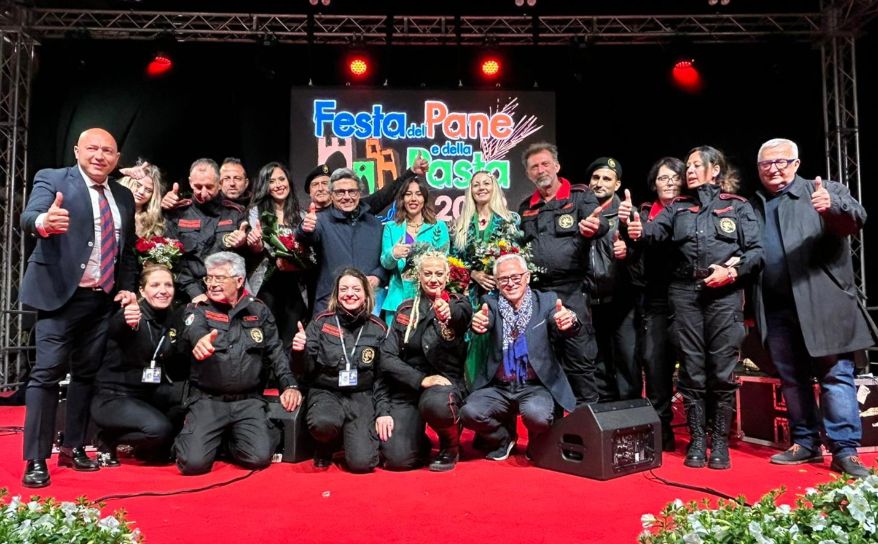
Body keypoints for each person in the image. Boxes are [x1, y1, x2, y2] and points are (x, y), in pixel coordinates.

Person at [626, 145, 763, 470]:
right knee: (691, 369)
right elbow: (653, 233)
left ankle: (719, 442)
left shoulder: (738, 206)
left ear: (715, 169)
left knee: (721, 371)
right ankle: (697, 441)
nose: (689, 170)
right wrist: (636, 228)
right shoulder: (678, 208)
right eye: (687, 165)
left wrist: (731, 272)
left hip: (724, 294)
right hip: (684, 294)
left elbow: (756, 252)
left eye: (696, 165)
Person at [19, 127, 138, 488]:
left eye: (108, 151)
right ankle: (36, 459)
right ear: (77, 150)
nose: (99, 155)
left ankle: (74, 446)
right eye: (92, 148)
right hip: (59, 297)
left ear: (117, 159)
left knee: (86, 376)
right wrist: (44, 223)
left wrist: (128, 289)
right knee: (46, 375)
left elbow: (127, 250)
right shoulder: (53, 178)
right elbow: (30, 217)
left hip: (100, 300)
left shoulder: (122, 195)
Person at [751, 138, 874, 478]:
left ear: (797, 163)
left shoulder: (823, 190)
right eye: (766, 164)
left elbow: (855, 220)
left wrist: (832, 206)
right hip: (777, 308)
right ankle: (804, 443)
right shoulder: (755, 205)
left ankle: (844, 451)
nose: (774, 168)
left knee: (836, 377)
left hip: (824, 305)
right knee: (793, 380)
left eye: (782, 161)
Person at [174, 252, 302, 475]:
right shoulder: (199, 308)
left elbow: (275, 352)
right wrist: (199, 341)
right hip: (208, 401)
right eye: (209, 278)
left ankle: (225, 440)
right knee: (193, 464)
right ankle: (203, 437)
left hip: (248, 401)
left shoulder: (259, 310)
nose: (212, 284)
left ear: (239, 280)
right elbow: (195, 329)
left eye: (219, 278)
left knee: (260, 458)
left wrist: (289, 385)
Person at [460, 254, 578, 461]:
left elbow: (559, 319)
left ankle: (538, 441)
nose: (510, 283)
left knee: (537, 416)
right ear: (496, 283)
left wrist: (568, 321)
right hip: (500, 386)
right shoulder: (491, 302)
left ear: (527, 277)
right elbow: (484, 320)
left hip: (535, 386)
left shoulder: (547, 300)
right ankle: (504, 438)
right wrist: (478, 324)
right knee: (469, 412)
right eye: (503, 279)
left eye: (516, 277)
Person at [518, 142, 607, 406]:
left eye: (545, 164)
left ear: (557, 166)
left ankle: (587, 429)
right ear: (528, 174)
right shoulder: (525, 207)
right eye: (534, 167)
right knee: (545, 361)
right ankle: (553, 430)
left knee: (579, 359)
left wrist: (595, 226)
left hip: (573, 291)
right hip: (538, 294)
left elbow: (598, 222)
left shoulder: (580, 195)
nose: (540, 170)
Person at [377, 251, 472, 471]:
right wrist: (421, 379)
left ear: (447, 276)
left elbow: (461, 316)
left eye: (439, 273)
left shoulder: (459, 303)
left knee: (436, 404)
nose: (433, 279)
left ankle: (450, 445)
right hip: (410, 386)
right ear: (418, 276)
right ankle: (418, 442)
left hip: (443, 388)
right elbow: (387, 357)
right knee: (397, 460)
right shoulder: (405, 309)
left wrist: (447, 313)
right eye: (427, 273)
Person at [291, 268, 387, 472]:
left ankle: (351, 438)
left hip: (361, 396)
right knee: (323, 424)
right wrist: (300, 351)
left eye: (356, 289)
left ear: (366, 295)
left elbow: (382, 377)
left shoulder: (378, 328)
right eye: (344, 289)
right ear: (336, 294)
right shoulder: (321, 322)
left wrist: (382, 412)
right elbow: (304, 370)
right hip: (327, 392)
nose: (349, 294)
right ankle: (326, 444)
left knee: (362, 464)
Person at [90, 264, 183, 466]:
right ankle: (108, 438)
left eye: (168, 285)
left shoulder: (171, 318)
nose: (163, 290)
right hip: (114, 397)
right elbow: (118, 326)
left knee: (187, 402)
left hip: (148, 394)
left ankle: (150, 448)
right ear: (142, 290)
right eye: (155, 285)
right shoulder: (131, 314)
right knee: (160, 430)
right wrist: (126, 318)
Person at [629, 157, 686, 452]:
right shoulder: (643, 212)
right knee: (654, 364)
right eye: (663, 178)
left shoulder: (694, 209)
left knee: (693, 366)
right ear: (654, 183)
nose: (669, 183)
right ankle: (660, 429)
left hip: (691, 296)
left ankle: (702, 432)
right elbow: (628, 251)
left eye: (675, 178)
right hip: (654, 298)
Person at [451, 170, 520, 387]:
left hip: (502, 293)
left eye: (486, 183)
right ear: (470, 190)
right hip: (471, 295)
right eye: (476, 184)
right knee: (474, 342)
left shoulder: (509, 220)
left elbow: (515, 256)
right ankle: (475, 392)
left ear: (494, 188)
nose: (481, 188)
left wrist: (496, 275)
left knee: (502, 339)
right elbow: (453, 261)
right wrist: (473, 274)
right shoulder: (460, 225)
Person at [583, 157, 638, 402]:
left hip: (622, 300)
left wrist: (628, 252)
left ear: (617, 185)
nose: (600, 183)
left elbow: (644, 252)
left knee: (627, 360)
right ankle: (607, 418)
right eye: (596, 178)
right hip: (590, 301)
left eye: (607, 178)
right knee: (598, 361)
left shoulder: (627, 212)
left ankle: (631, 418)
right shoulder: (579, 211)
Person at [298, 168, 388, 314]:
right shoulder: (321, 220)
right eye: (340, 192)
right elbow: (306, 237)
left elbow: (385, 261)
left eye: (352, 191)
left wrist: (378, 276)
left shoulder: (375, 224)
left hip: (368, 305)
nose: (347, 196)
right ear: (332, 195)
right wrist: (304, 228)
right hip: (329, 305)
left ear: (359, 193)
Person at [163, 159, 249, 303]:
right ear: (190, 182)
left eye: (209, 187)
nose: (203, 193)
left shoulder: (236, 213)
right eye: (198, 186)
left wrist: (243, 242)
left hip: (226, 295)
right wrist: (193, 292)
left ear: (220, 184)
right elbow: (172, 260)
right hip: (186, 295)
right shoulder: (177, 212)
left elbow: (246, 258)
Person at [245, 162, 310, 350]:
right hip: (266, 285)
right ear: (265, 186)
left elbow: (310, 254)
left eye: (282, 179)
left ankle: (288, 379)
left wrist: (297, 260)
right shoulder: (256, 212)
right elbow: (256, 249)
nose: (278, 184)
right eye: (271, 181)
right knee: (265, 339)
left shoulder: (301, 215)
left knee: (290, 340)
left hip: (295, 287)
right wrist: (255, 243)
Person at [380, 176, 450, 325]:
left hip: (429, 299)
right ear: (402, 199)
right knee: (396, 346)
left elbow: (444, 262)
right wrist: (394, 254)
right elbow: (385, 262)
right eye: (408, 194)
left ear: (424, 198)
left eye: (418, 194)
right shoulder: (391, 228)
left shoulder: (439, 227)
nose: (413, 199)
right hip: (397, 300)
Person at [304, 155, 428, 215]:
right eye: (315, 184)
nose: (320, 188)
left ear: (332, 189)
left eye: (325, 183)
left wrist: (411, 172)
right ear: (309, 191)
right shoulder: (303, 219)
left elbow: (385, 194)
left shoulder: (357, 209)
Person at [117, 160, 165, 238]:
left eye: (148, 190)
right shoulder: (110, 207)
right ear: (127, 182)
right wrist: (123, 171)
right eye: (138, 185)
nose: (141, 192)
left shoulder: (153, 221)